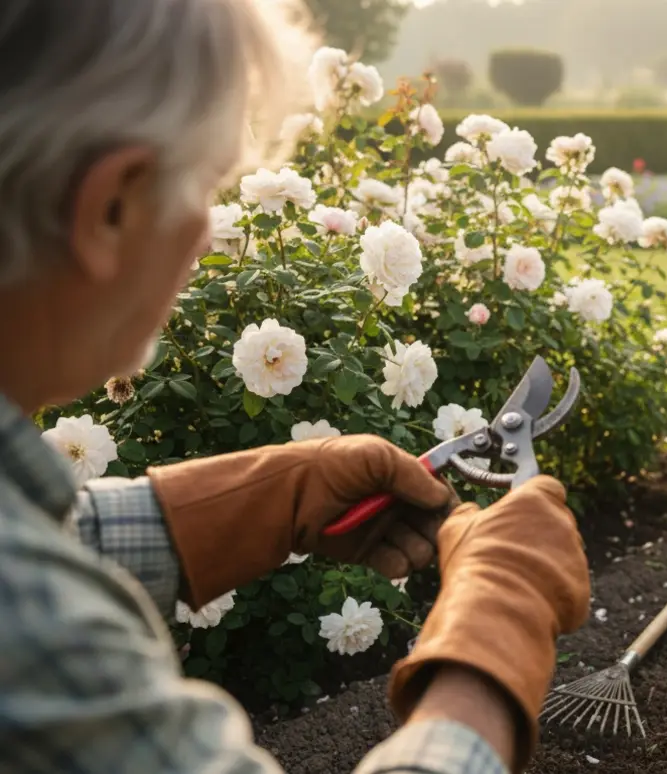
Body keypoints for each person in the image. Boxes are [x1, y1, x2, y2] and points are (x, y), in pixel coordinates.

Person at [0, 1, 591, 772]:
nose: (210, 233)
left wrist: (261, 501)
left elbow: (36, 534)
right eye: (208, 188)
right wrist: (496, 631)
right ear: (109, 208)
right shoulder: (41, 635)